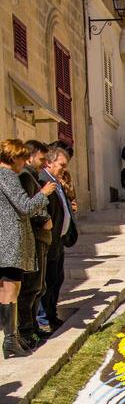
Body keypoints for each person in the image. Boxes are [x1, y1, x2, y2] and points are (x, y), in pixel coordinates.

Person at [0, 140, 55, 357]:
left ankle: (10, 340)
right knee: (11, 291)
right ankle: (11, 340)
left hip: (6, 243)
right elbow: (25, 208)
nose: (24, 162)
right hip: (11, 243)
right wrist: (45, 193)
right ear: (13, 157)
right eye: (22, 157)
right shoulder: (8, 177)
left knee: (6, 291)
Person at [16, 140, 53, 349]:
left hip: (41, 239)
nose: (44, 162)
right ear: (30, 156)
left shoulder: (31, 176)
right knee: (31, 287)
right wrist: (43, 219)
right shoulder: (25, 176)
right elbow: (28, 206)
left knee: (39, 287)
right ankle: (27, 332)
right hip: (35, 238)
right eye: (41, 158)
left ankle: (33, 328)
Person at [40, 145, 73, 331]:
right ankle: (44, 319)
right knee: (48, 280)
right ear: (50, 162)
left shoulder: (56, 180)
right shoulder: (45, 181)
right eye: (61, 164)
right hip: (50, 240)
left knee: (56, 278)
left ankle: (52, 315)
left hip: (58, 239)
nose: (64, 168)